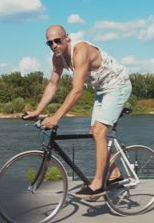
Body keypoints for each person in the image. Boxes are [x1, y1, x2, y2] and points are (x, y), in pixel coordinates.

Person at [24, 25, 132, 198]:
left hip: (118, 85)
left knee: (99, 130)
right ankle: (115, 174)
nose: (54, 45)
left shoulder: (80, 50)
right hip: (101, 89)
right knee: (94, 133)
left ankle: (97, 184)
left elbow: (77, 90)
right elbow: (53, 84)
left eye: (57, 40)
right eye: (49, 43)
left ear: (67, 38)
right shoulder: (57, 59)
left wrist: (56, 117)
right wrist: (37, 110)